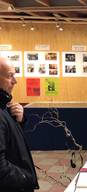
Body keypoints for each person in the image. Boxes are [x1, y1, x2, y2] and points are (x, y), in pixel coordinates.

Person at [0, 57, 39, 192]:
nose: (15, 81)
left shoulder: (4, 107)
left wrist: (19, 121)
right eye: (10, 76)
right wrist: (27, 178)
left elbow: (8, 141)